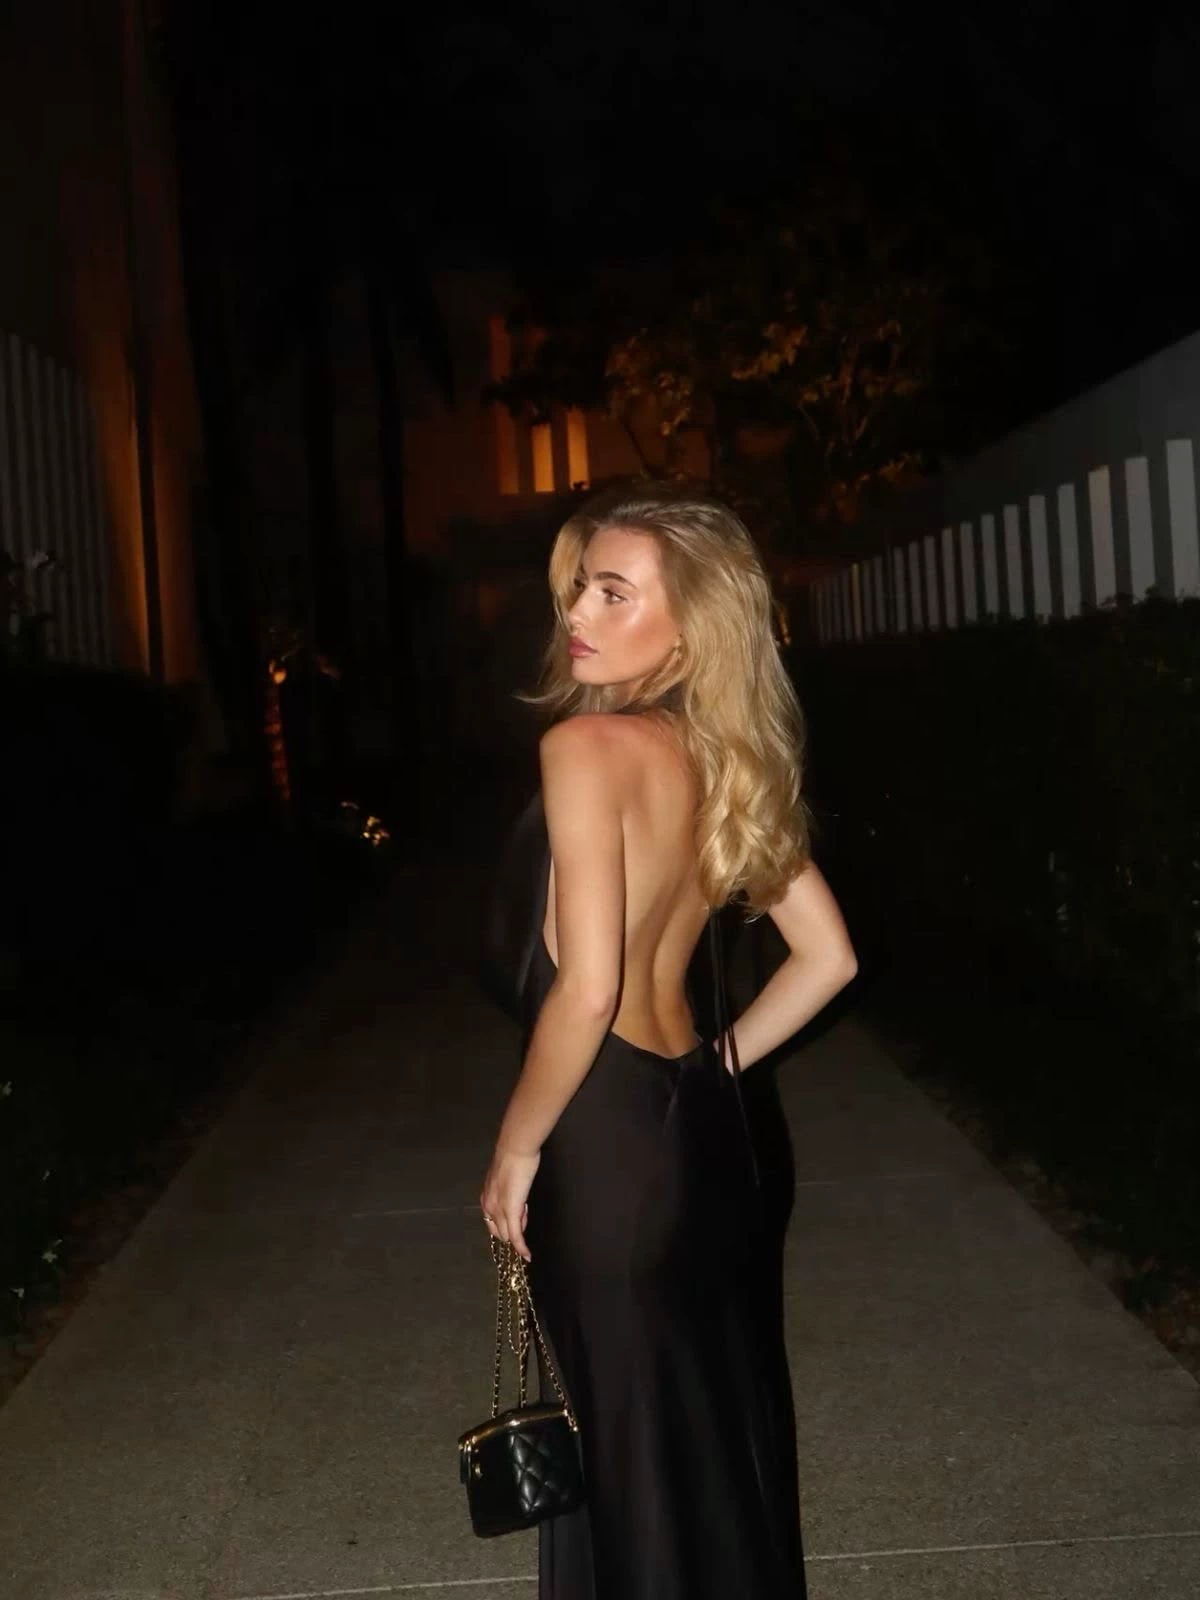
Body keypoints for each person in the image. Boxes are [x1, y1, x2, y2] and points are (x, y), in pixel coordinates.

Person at [478, 483, 858, 1600]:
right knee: (706, 1437)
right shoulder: (722, 756)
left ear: (689, 628)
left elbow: (589, 988)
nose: (577, 613)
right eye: (579, 587)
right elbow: (829, 956)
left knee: (627, 1456)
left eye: (613, 592)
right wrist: (717, 1069)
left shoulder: (584, 746)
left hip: (604, 1140)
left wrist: (516, 1147)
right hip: (698, 1131)